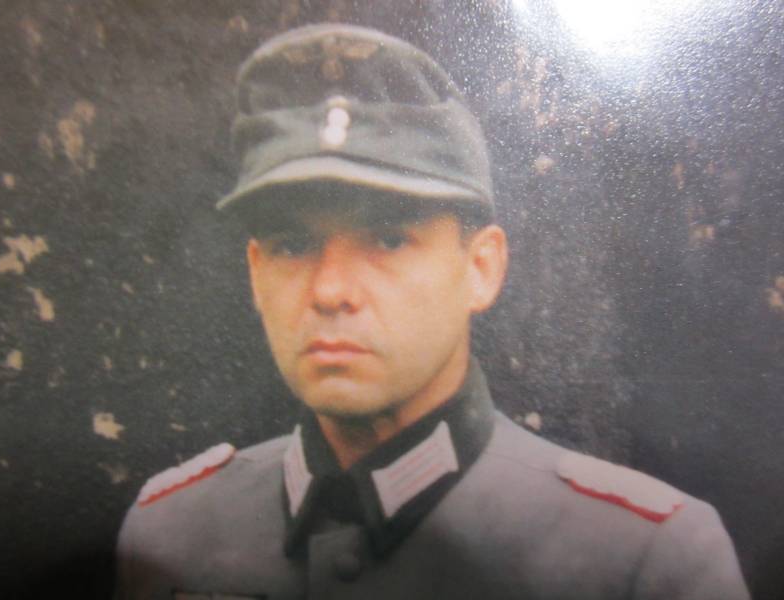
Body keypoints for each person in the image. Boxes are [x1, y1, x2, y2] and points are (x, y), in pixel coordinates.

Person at [114, 23, 749, 600]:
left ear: (481, 268)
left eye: (390, 239)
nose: (330, 290)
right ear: (255, 274)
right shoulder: (173, 534)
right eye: (292, 245)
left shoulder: (640, 561)